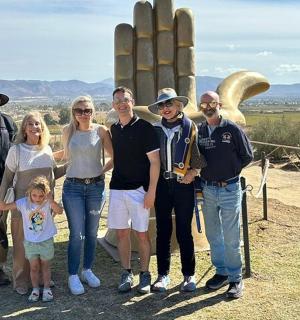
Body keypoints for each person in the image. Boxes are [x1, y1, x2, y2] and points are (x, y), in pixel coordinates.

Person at [0, 111, 65, 295]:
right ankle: (21, 281)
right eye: (30, 124)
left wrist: (73, 164)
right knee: (21, 245)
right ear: (24, 129)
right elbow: (6, 178)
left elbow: (55, 174)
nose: (34, 127)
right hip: (22, 208)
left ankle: (44, 278)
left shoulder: (47, 150)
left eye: (37, 124)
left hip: (44, 210)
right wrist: (0, 201)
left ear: (42, 128)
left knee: (42, 242)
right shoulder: (17, 150)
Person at [147, 88, 206, 292]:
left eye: (169, 104)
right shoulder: (154, 130)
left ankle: (189, 275)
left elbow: (198, 157)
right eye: (162, 105)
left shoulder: (190, 128)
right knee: (163, 230)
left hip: (183, 185)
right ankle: (162, 275)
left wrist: (192, 173)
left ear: (178, 105)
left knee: (183, 231)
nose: (165, 108)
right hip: (162, 184)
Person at [197, 91, 253, 299]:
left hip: (229, 188)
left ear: (219, 104)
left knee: (230, 237)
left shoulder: (232, 129)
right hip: (208, 189)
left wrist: (231, 171)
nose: (208, 107)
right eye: (203, 105)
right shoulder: (201, 130)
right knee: (213, 235)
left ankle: (235, 278)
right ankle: (221, 271)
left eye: (211, 103)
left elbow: (247, 155)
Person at [108, 86, 160, 294]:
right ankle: (126, 272)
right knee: (121, 233)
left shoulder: (145, 128)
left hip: (139, 190)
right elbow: (115, 159)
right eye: (118, 100)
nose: (122, 103)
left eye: (125, 99)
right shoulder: (114, 129)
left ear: (132, 102)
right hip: (117, 189)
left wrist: (151, 191)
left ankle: (145, 273)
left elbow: (155, 163)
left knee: (141, 234)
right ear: (113, 105)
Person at [61, 95, 113, 295]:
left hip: (95, 188)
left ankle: (87, 270)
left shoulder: (101, 131)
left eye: (88, 110)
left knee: (92, 232)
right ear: (73, 112)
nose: (84, 114)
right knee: (77, 234)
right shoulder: (68, 131)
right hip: (72, 188)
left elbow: (113, 157)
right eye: (79, 110)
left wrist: (100, 172)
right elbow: (65, 156)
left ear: (93, 111)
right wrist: (40, 153)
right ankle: (73, 274)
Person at [0, 176, 63, 302]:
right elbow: (4, 207)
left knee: (45, 266)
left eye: (41, 196)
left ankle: (46, 289)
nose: (37, 199)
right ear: (29, 193)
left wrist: (51, 201)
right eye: (34, 195)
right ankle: (35, 289)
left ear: (46, 194)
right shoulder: (23, 203)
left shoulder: (47, 203)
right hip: (30, 243)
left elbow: (60, 211)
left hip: (46, 241)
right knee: (33, 267)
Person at [0, 93, 18, 286]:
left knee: (1, 228)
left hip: (2, 184)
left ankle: (0, 268)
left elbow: (15, 149)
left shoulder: (8, 122)